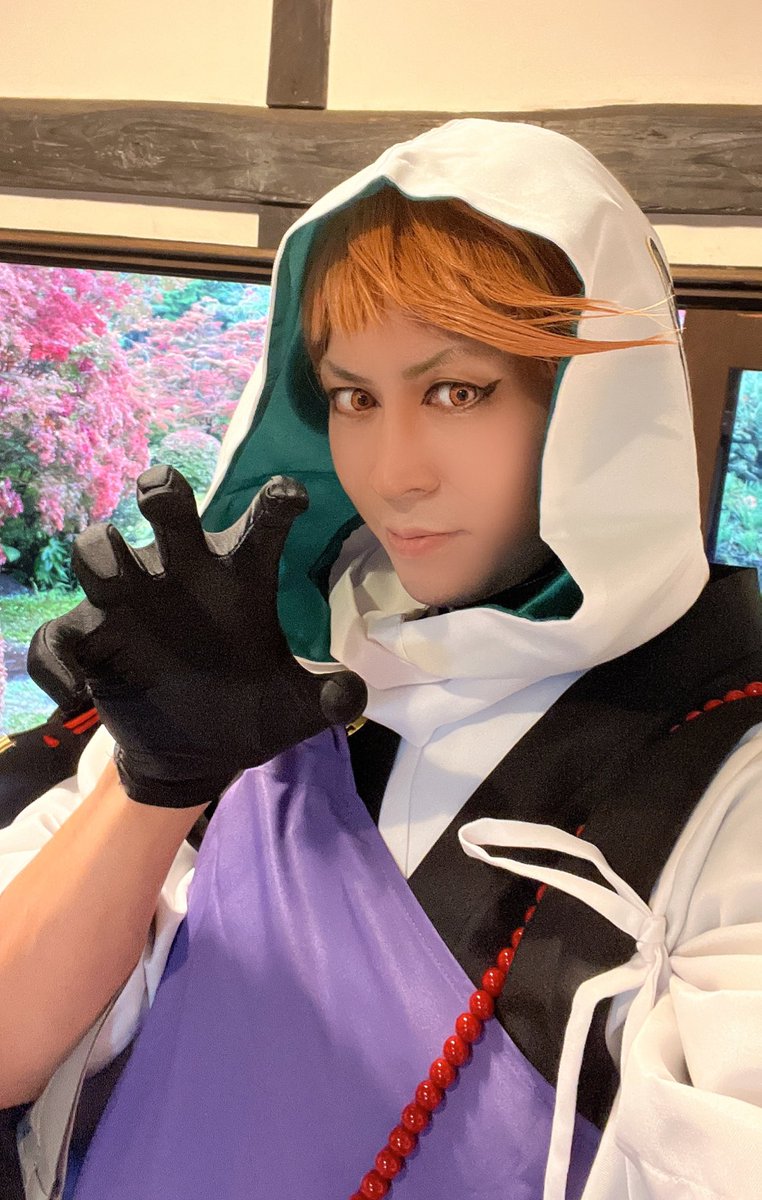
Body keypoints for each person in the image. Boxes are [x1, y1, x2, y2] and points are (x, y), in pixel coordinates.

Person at [0, 118, 761, 1200]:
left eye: (457, 391)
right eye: (354, 396)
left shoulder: (731, 772)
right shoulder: (264, 661)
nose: (394, 471)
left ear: (592, 403)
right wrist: (153, 782)